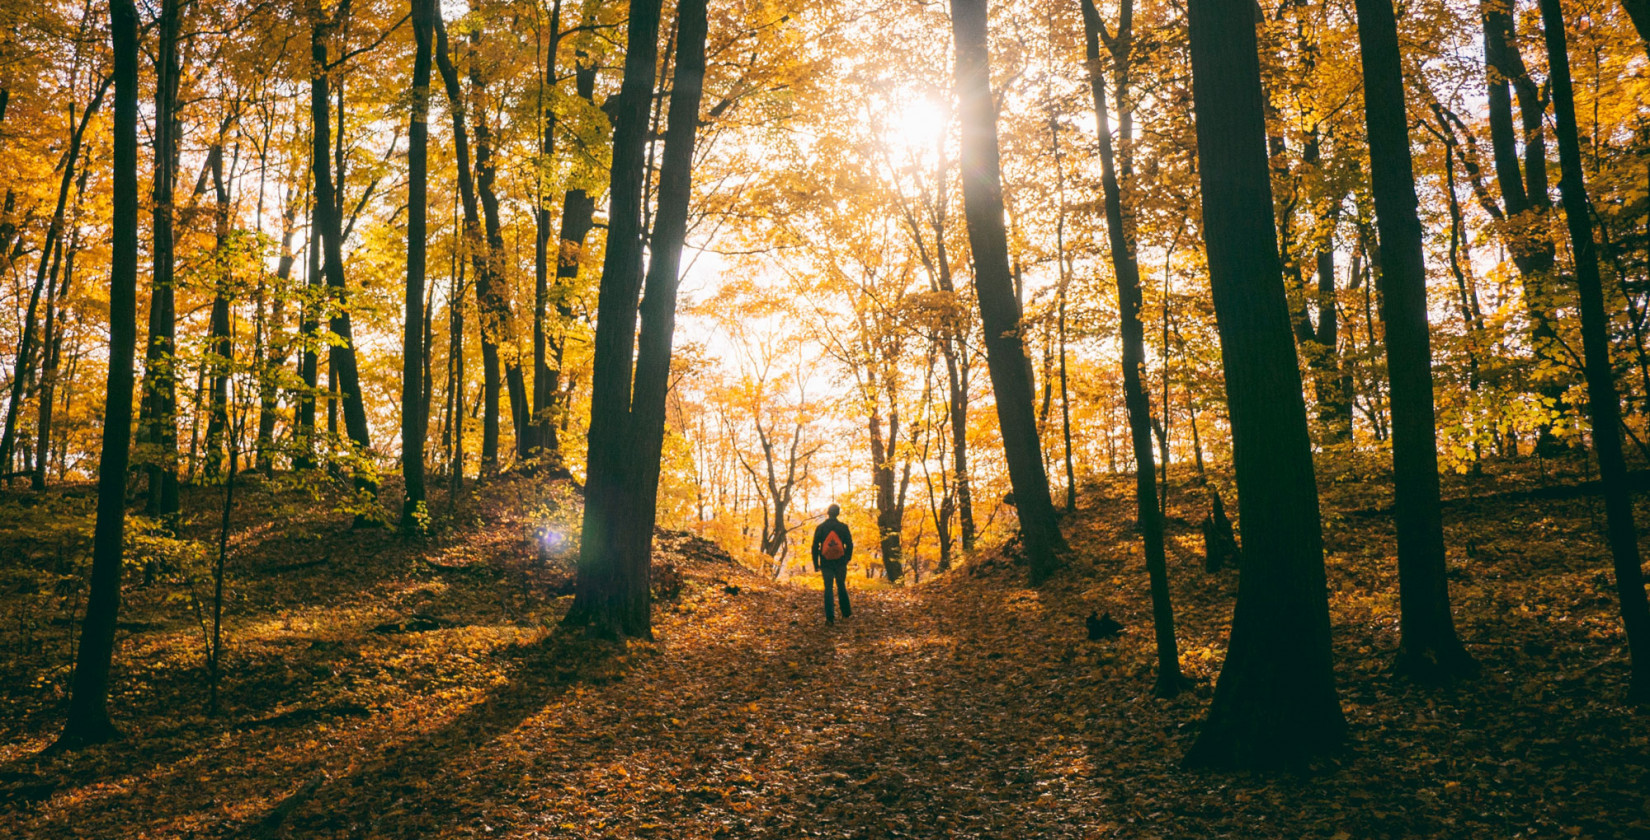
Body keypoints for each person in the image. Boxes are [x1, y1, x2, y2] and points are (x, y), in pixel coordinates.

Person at [811, 503, 854, 625]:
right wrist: (847, 559)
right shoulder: (843, 527)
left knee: (828, 588)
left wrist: (816, 564)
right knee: (841, 585)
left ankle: (830, 618)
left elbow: (815, 546)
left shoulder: (821, 527)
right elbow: (850, 545)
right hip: (840, 562)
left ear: (828, 513)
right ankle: (846, 613)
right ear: (838, 513)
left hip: (826, 563)